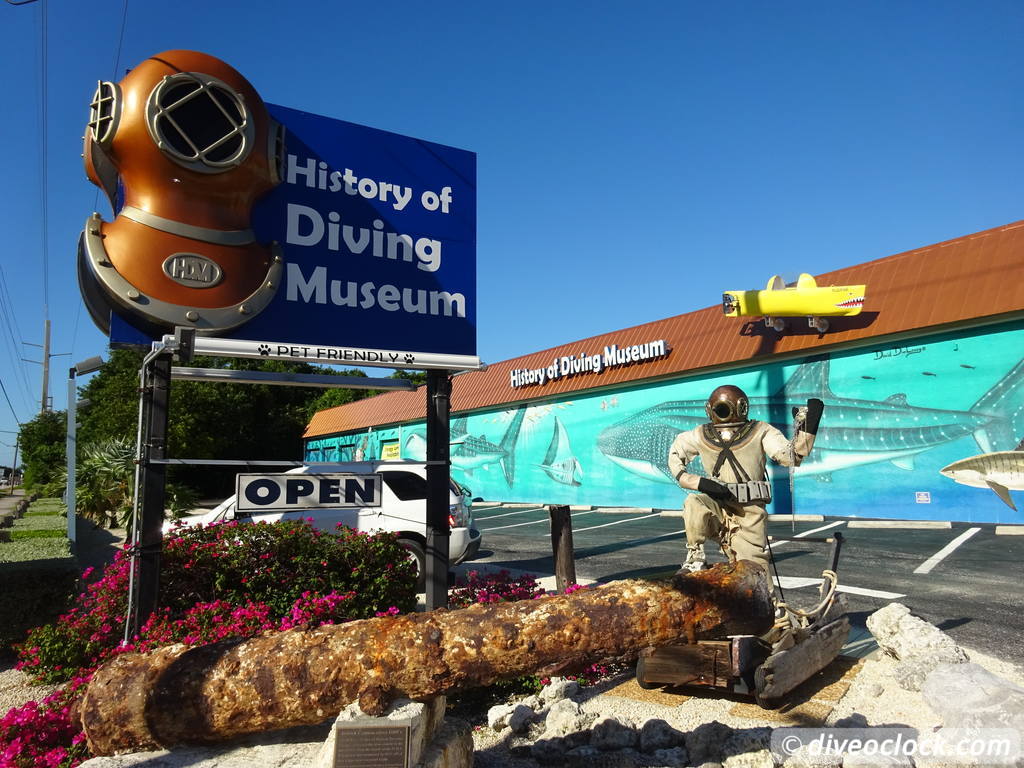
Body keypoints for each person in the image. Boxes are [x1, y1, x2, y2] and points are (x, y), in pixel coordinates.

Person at [667, 384, 824, 575]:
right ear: (709, 409)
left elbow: (789, 457)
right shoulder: (701, 434)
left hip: (749, 513)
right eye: (719, 408)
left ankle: (767, 603)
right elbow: (676, 455)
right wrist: (697, 482)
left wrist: (807, 429)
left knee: (754, 572)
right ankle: (695, 557)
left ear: (742, 407)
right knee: (694, 502)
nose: (723, 412)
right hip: (718, 503)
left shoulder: (760, 431)